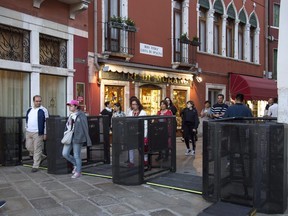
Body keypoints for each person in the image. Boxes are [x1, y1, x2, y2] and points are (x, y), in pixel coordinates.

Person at [62, 100, 92, 178]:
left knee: (76, 155)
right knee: (65, 153)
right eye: (69, 106)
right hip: (69, 136)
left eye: (71, 106)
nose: (70, 107)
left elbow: (85, 127)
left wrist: (86, 138)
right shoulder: (71, 115)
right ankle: (76, 164)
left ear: (76, 106)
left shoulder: (81, 115)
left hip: (78, 137)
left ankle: (78, 171)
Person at [25, 95, 49, 172]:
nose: (38, 102)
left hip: (38, 132)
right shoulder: (29, 109)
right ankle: (42, 156)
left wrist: (45, 133)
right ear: (34, 101)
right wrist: (26, 128)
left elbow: (46, 122)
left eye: (39, 101)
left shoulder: (43, 110)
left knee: (37, 149)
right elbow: (27, 119)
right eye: (37, 101)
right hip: (29, 131)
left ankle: (35, 166)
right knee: (28, 147)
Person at [126, 98, 147, 167]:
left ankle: (145, 161)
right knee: (131, 147)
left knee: (142, 148)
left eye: (135, 104)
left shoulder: (142, 112)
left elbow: (145, 124)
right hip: (132, 133)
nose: (133, 106)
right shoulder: (130, 113)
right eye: (132, 104)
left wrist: (145, 135)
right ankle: (131, 161)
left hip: (140, 133)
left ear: (138, 105)